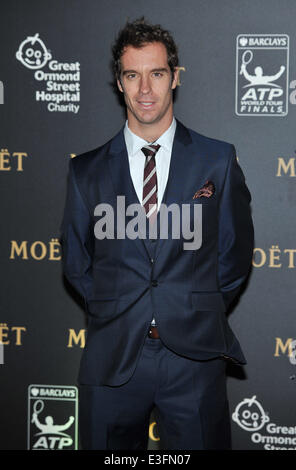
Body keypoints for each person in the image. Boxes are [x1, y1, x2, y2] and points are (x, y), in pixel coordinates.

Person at [60, 17, 254, 450]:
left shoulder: (216, 160)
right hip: (113, 356)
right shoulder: (85, 170)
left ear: (174, 78)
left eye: (157, 73)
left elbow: (235, 254)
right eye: (133, 74)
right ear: (119, 81)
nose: (145, 89)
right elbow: (76, 260)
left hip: (193, 359)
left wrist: (193, 306)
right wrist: (116, 306)